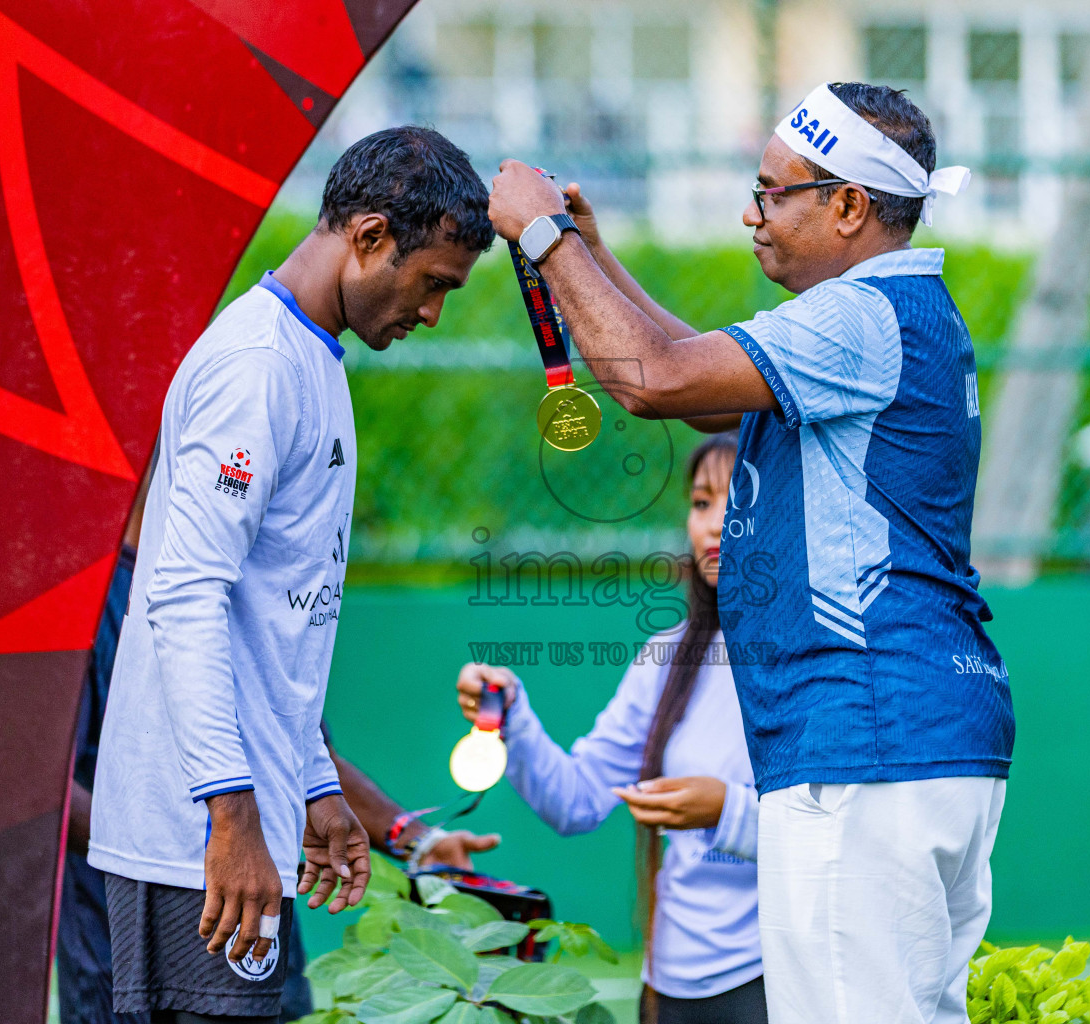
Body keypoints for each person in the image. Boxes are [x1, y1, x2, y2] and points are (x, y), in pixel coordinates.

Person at [485, 83, 1014, 1024]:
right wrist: (591, 256)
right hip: (910, 737)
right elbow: (695, 387)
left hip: (864, 741)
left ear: (848, 206)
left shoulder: (861, 316)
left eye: (772, 192)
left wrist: (541, 237)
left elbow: (652, 380)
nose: (751, 213)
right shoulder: (888, 310)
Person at [89, 125, 495, 1024]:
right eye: (434, 283)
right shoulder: (259, 366)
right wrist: (230, 815)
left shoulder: (313, 358)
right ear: (369, 236)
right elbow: (185, 597)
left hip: (234, 824)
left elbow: (277, 628)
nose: (433, 314)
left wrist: (314, 786)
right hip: (192, 841)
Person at [59, 479, 499, 1024]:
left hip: (258, 949)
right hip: (124, 960)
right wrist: (214, 843)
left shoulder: (246, 582)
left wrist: (417, 840)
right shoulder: (85, 602)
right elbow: (47, 791)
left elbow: (299, 751)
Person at [455, 433, 765, 1024]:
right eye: (701, 502)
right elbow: (576, 801)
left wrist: (726, 811)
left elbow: (842, 836)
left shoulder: (820, 656)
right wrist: (510, 714)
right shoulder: (666, 657)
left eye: (736, 499)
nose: (713, 523)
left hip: (772, 973)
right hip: (668, 984)